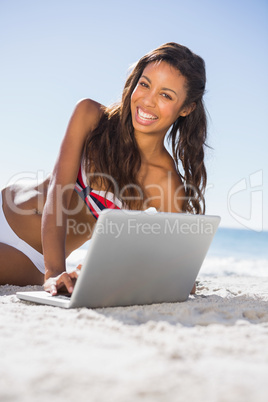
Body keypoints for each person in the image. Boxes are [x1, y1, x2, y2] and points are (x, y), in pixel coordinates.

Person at [0, 42, 207, 295]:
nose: (148, 101)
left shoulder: (166, 182)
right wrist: (54, 272)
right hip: (17, 222)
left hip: (34, 258)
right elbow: (59, 192)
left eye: (166, 95)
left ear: (186, 108)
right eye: (145, 84)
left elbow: (174, 267)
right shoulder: (90, 116)